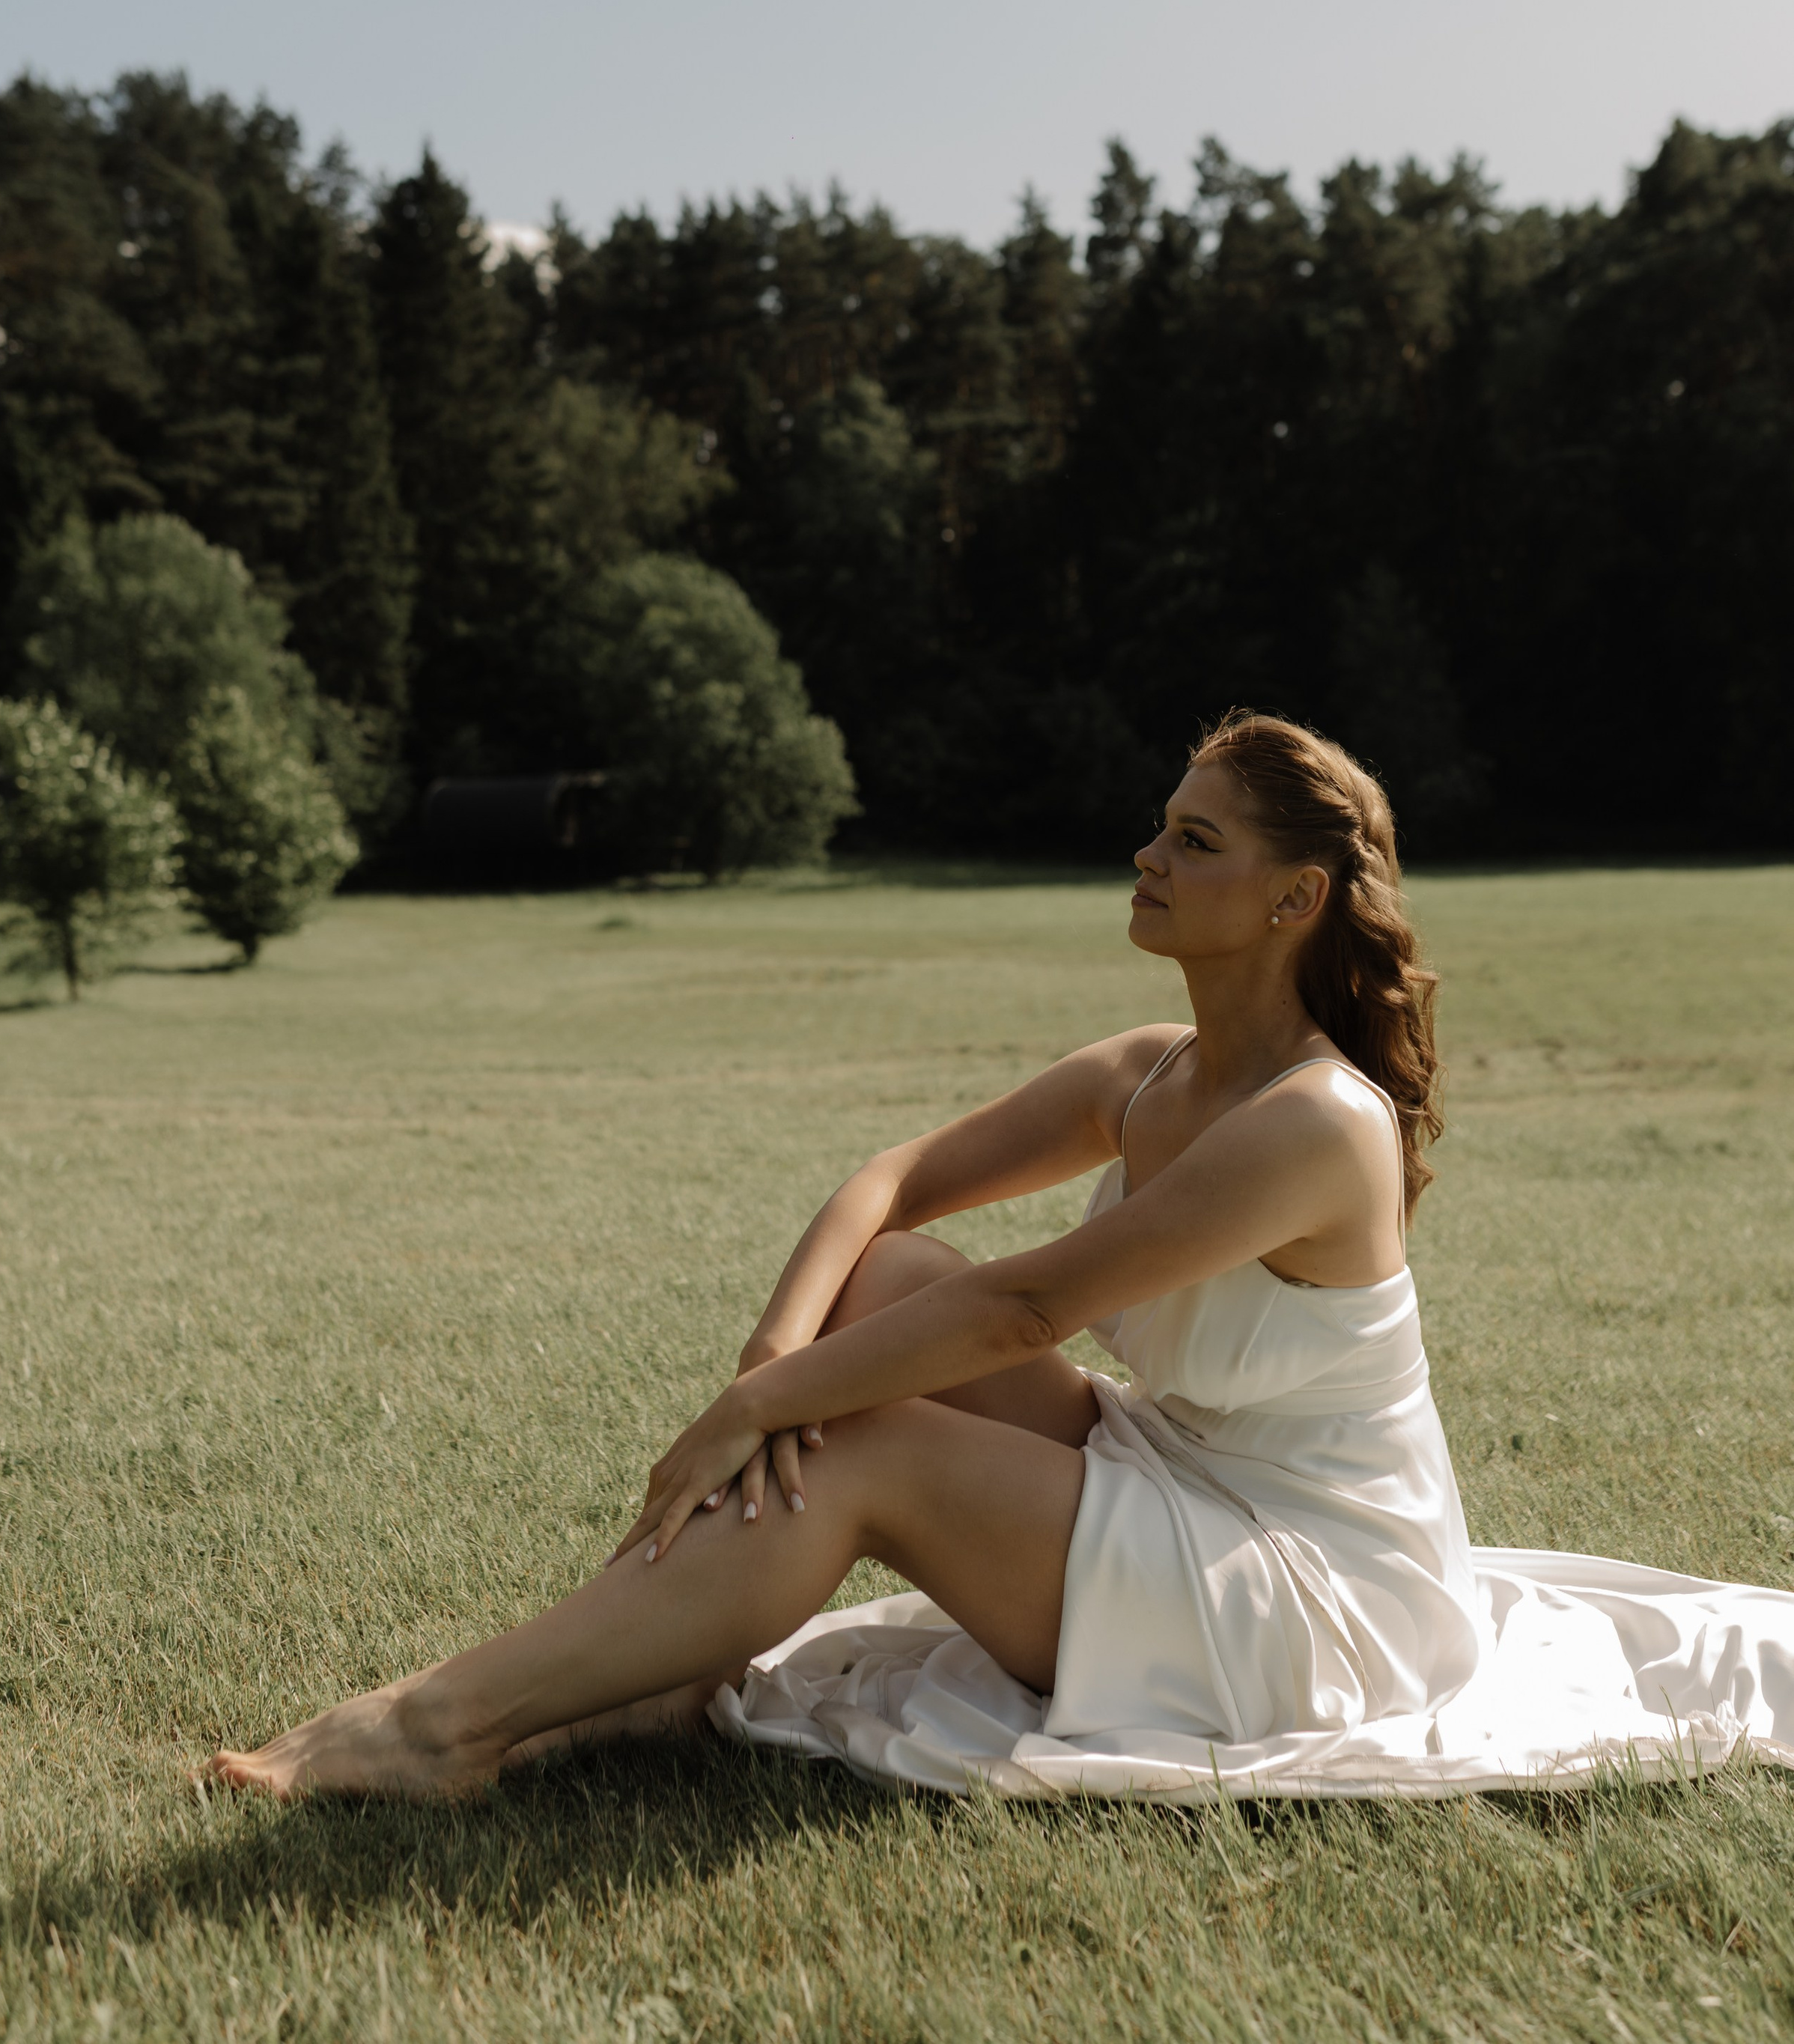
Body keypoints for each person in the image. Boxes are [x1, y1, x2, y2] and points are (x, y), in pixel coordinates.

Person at [208, 711, 1794, 1803]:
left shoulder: (1321, 1125)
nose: (1145, 858)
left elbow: (1026, 1303)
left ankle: (443, 1725)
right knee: (874, 1294)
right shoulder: (1145, 1072)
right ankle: (635, 1671)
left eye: (1193, 842)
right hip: (1198, 1483)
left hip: (1321, 1603)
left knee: (867, 1435)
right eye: (1159, 830)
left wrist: (758, 1423)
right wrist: (766, 1364)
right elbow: (892, 1188)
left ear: (1291, 899)